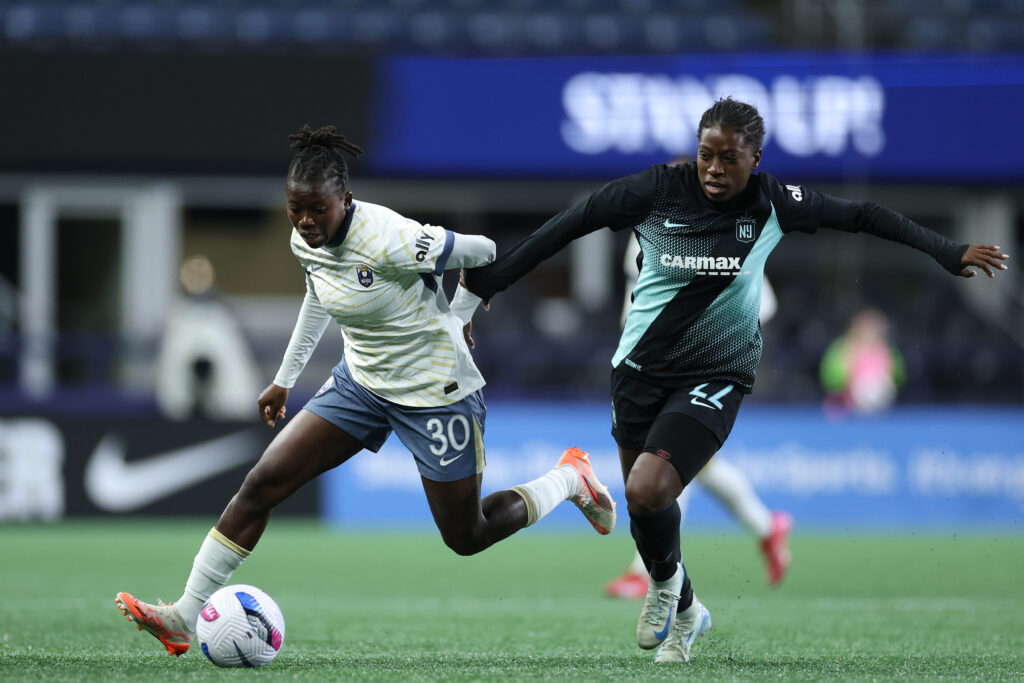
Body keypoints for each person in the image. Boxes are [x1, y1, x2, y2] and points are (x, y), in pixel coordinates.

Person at [461, 98, 1009, 664]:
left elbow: (863, 214)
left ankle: (665, 591)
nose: (715, 168)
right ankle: (690, 612)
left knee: (648, 489)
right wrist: (490, 284)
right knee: (645, 511)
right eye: (706, 156)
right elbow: (571, 224)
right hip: (638, 370)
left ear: (755, 158)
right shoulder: (656, 190)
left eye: (729, 158)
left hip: (717, 372)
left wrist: (945, 250)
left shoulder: (773, 204)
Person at [114, 125, 616, 657]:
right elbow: (319, 294)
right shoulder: (304, 240)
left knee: (466, 536)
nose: (305, 222)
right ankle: (182, 617)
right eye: (294, 210)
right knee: (262, 484)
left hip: (434, 392)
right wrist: (285, 378)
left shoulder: (390, 238)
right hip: (362, 384)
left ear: (345, 200)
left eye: (317, 210)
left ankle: (569, 478)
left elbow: (485, 249)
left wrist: (461, 315)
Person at [604, 233, 791, 600]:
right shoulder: (650, 219)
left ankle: (646, 571)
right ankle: (768, 527)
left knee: (664, 461)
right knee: (693, 466)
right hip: (647, 360)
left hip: (700, 365)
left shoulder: (723, 229)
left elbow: (763, 303)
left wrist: (713, 335)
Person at [820, 307, 905, 419]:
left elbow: (899, 377)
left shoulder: (888, 351)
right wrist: (849, 376)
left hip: (880, 408)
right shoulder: (842, 348)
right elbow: (829, 377)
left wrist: (889, 372)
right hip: (844, 407)